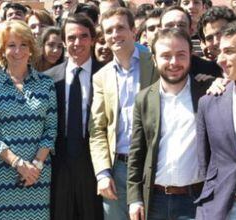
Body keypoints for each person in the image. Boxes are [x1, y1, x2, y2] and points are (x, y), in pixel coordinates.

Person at [127, 28, 210, 220]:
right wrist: (135, 199)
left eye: (181, 55)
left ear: (191, 56)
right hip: (155, 201)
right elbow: (136, 153)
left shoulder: (207, 93)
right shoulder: (143, 99)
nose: (174, 62)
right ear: (154, 60)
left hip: (196, 200)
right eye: (166, 56)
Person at [0, 20, 57, 220]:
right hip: (1, 176)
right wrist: (18, 164)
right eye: (11, 45)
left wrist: (36, 165)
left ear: (31, 49)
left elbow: (51, 130)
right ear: (2, 50)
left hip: (37, 176)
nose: (18, 51)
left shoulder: (46, 84)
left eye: (23, 44)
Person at [89, 7, 158, 220]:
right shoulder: (101, 77)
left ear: (133, 31)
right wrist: (102, 173)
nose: (115, 35)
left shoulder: (155, 63)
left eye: (120, 28)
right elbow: (97, 129)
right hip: (116, 170)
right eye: (109, 31)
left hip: (151, 165)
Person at [44, 14, 103, 220]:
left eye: (83, 36)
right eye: (71, 38)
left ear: (93, 39)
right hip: (58, 163)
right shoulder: (49, 79)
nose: (77, 43)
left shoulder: (106, 75)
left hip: (94, 164)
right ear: (63, 41)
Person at [195, 21, 236, 220]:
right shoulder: (209, 102)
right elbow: (205, 164)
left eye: (229, 51)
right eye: (220, 52)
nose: (220, 59)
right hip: (222, 210)